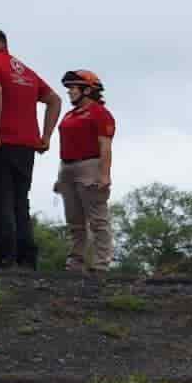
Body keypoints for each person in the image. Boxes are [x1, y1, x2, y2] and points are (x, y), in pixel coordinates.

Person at [0, 27, 61, 268]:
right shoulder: (25, 71)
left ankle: (3, 256)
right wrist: (46, 136)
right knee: (19, 200)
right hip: (26, 147)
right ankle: (26, 257)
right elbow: (54, 100)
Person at [53, 70, 116, 273]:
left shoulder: (100, 113)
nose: (69, 92)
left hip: (90, 166)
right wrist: (60, 175)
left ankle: (101, 264)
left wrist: (104, 175)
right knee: (74, 221)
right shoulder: (70, 114)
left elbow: (105, 145)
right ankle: (75, 263)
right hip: (67, 168)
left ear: (87, 90)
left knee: (98, 220)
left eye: (73, 88)